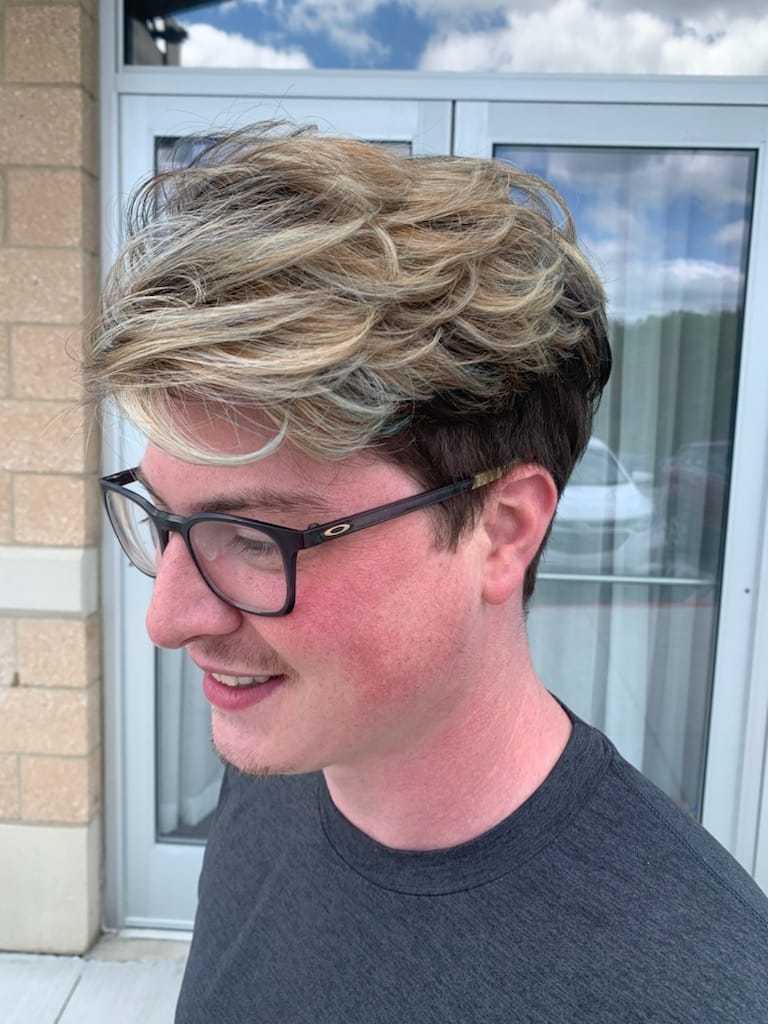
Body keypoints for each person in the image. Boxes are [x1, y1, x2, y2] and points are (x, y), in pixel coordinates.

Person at [85, 122, 768, 1023]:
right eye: (164, 519)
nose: (168, 619)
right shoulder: (279, 770)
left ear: (503, 528)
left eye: (253, 536)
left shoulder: (701, 988)